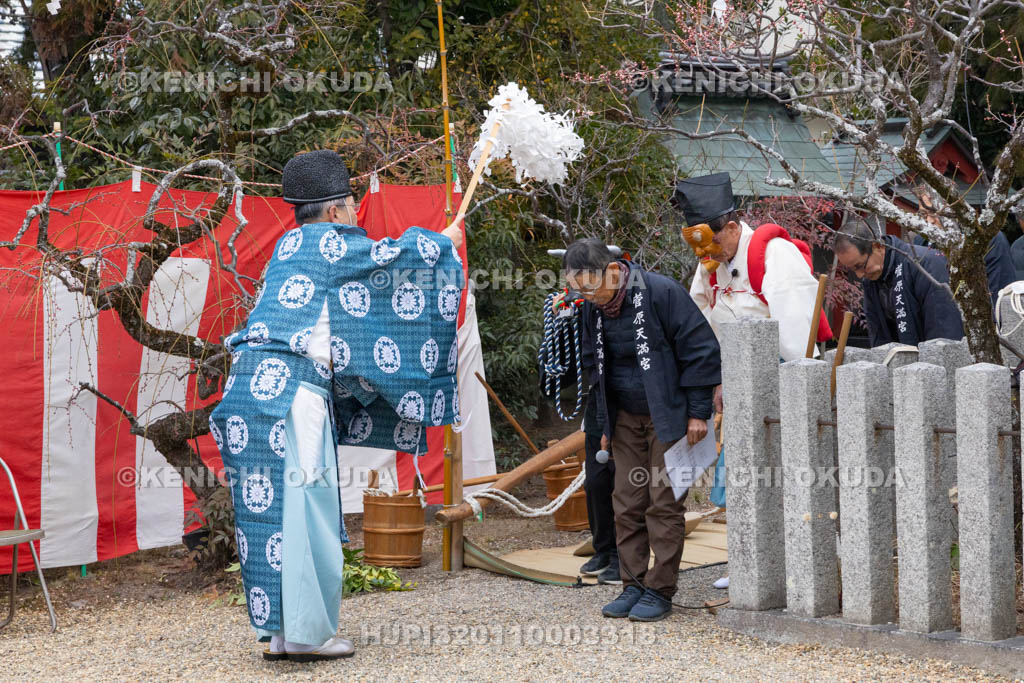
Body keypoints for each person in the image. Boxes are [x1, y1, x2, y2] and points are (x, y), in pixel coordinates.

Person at [210, 149, 462, 662]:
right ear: (332, 212)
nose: (354, 217)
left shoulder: (288, 245)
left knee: (266, 518)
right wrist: (444, 242)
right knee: (306, 511)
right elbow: (394, 260)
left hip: (245, 393)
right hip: (289, 394)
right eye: (349, 207)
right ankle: (307, 637)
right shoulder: (331, 243)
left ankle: (280, 634)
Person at [674, 172, 830, 590]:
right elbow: (701, 323)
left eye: (712, 242)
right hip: (740, 379)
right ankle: (746, 558)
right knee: (744, 474)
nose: (707, 254)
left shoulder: (772, 254)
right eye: (698, 245)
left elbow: (800, 336)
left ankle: (801, 558)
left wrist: (804, 395)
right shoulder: (710, 263)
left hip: (784, 376)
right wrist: (717, 379)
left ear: (730, 227)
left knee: (788, 472)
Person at [567, 238, 721, 622]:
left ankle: (660, 589)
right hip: (624, 417)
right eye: (579, 289)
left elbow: (700, 350)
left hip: (669, 415)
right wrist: (603, 422)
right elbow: (593, 366)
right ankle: (632, 584)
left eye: (591, 286)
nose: (587, 296)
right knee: (626, 501)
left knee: (664, 502)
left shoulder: (661, 292)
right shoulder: (593, 309)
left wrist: (699, 412)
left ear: (615, 271)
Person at [833, 215, 963, 346]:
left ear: (877, 246)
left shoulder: (925, 264)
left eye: (860, 266)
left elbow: (943, 329)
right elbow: (878, 335)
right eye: (853, 270)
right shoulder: (871, 279)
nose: (859, 275)